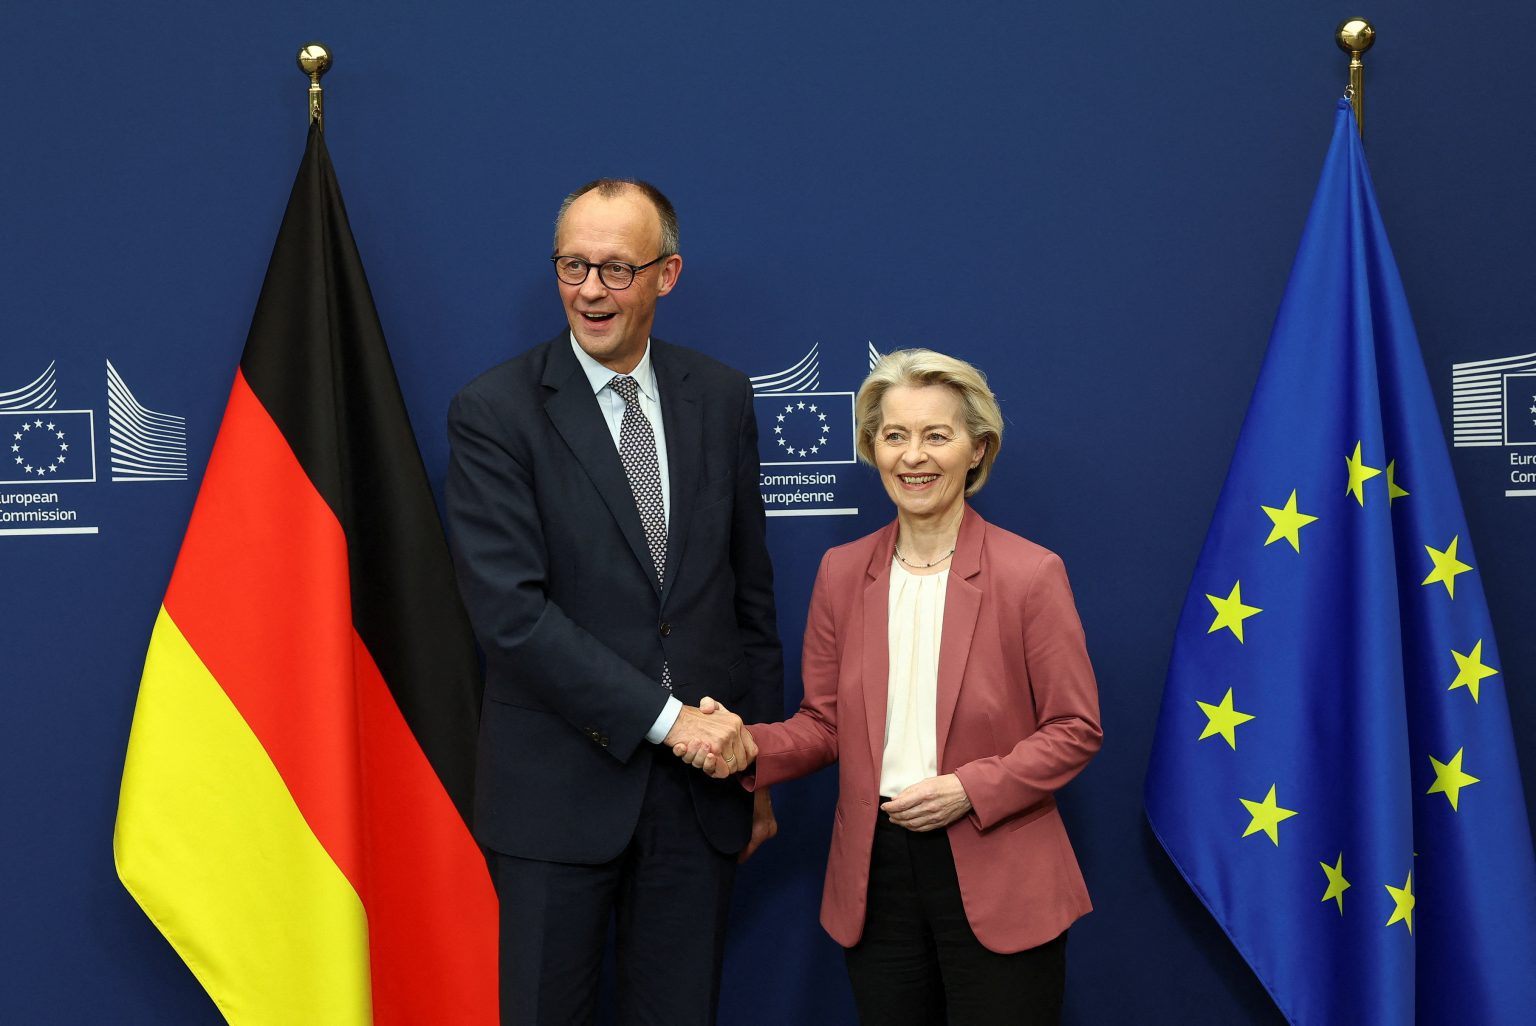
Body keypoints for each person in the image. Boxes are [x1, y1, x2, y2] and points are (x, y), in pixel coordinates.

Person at [445, 178, 783, 1026]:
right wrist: (673, 721)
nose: (590, 290)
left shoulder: (722, 397)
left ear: (667, 275)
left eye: (615, 269)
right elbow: (512, 618)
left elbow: (750, 598)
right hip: (558, 795)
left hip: (700, 799)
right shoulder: (494, 411)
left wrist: (758, 762)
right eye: (572, 266)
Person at [680, 348, 1102, 1025]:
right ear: (872, 447)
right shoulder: (842, 573)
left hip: (1000, 868)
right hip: (876, 879)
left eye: (937, 435)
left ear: (977, 448)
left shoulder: (1031, 574)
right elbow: (824, 725)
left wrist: (970, 788)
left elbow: (1076, 730)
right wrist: (745, 746)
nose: (914, 456)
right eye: (894, 435)